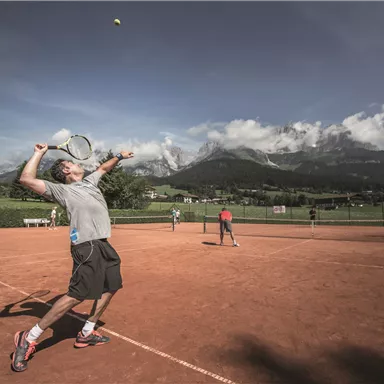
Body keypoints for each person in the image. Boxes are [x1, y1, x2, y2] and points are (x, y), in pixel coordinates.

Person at [11, 143, 134, 373]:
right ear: (67, 170)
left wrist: (119, 156)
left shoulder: (90, 182)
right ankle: (29, 337)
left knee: (112, 285)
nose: (78, 163)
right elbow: (26, 179)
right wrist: (39, 153)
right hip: (85, 246)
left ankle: (86, 332)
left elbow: (104, 168)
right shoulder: (61, 190)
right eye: (72, 162)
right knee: (77, 295)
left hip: (104, 245)